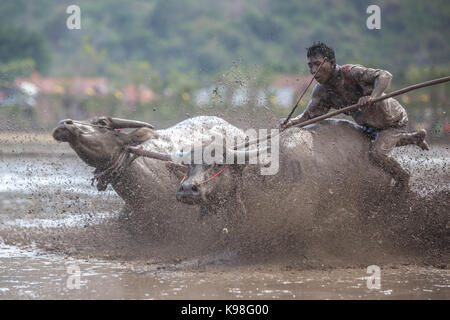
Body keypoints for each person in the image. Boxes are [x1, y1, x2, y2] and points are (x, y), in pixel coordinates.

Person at [279, 42, 429, 192]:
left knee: (376, 154)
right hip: (368, 125)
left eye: (317, 64)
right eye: (310, 66)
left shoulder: (351, 72)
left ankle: (402, 177)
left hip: (392, 121)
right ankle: (414, 138)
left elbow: (385, 76)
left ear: (331, 62)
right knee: (371, 142)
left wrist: (372, 97)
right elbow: (309, 116)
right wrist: (290, 123)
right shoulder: (322, 92)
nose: (313, 70)